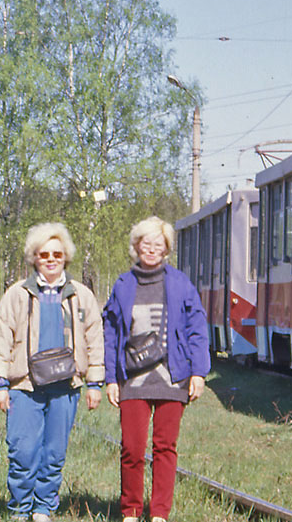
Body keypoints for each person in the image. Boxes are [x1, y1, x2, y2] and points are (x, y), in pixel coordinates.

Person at [0, 222, 105, 522]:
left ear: (66, 257)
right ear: (34, 258)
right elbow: (0, 336)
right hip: (25, 387)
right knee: (23, 452)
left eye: (57, 254)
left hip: (66, 387)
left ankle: (43, 508)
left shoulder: (82, 296)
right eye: (44, 254)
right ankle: (20, 508)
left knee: (54, 454)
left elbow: (95, 338)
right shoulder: (18, 295)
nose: (51, 259)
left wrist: (95, 383)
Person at [104, 216, 210, 522]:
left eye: (158, 244)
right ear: (136, 247)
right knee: (132, 448)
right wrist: (111, 378)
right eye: (146, 243)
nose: (151, 249)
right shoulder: (123, 285)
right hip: (132, 380)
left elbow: (197, 329)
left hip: (173, 377)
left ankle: (160, 514)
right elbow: (111, 333)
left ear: (167, 250)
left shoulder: (180, 284)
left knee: (165, 447)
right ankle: (131, 512)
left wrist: (199, 373)